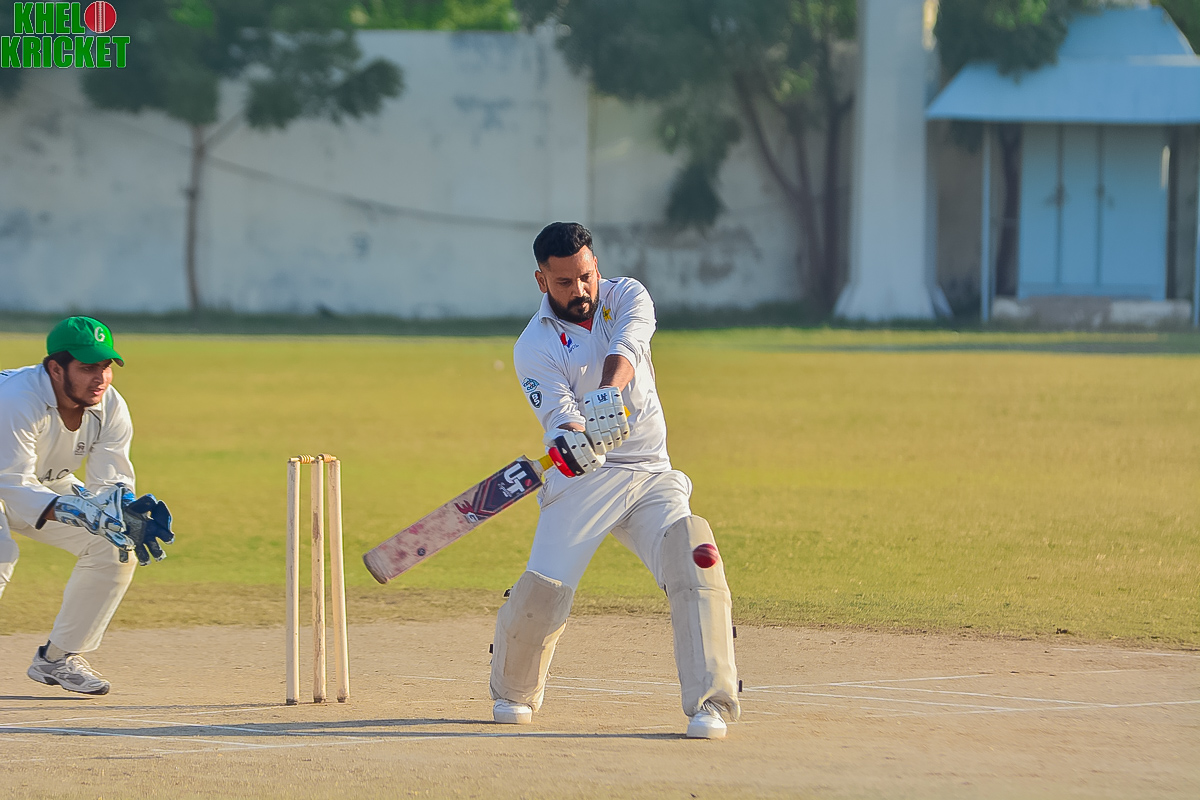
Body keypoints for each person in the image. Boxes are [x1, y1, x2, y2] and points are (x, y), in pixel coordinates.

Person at [489, 222, 740, 739]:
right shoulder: (533, 346)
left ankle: (711, 702)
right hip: (584, 481)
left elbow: (629, 343)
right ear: (541, 280)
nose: (580, 290)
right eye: (564, 282)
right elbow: (559, 416)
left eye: (586, 276)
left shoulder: (627, 295)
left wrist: (606, 393)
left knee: (694, 553)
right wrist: (573, 439)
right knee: (543, 591)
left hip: (649, 470)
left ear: (596, 265)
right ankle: (513, 689)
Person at [0, 316, 174, 696]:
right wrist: (79, 511)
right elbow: (11, 484)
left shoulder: (110, 404)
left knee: (114, 544)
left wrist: (123, 510)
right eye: (87, 368)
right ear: (55, 369)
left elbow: (111, 478)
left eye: (105, 367)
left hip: (45, 482)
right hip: (10, 479)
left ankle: (57, 659)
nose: (100, 378)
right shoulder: (15, 399)